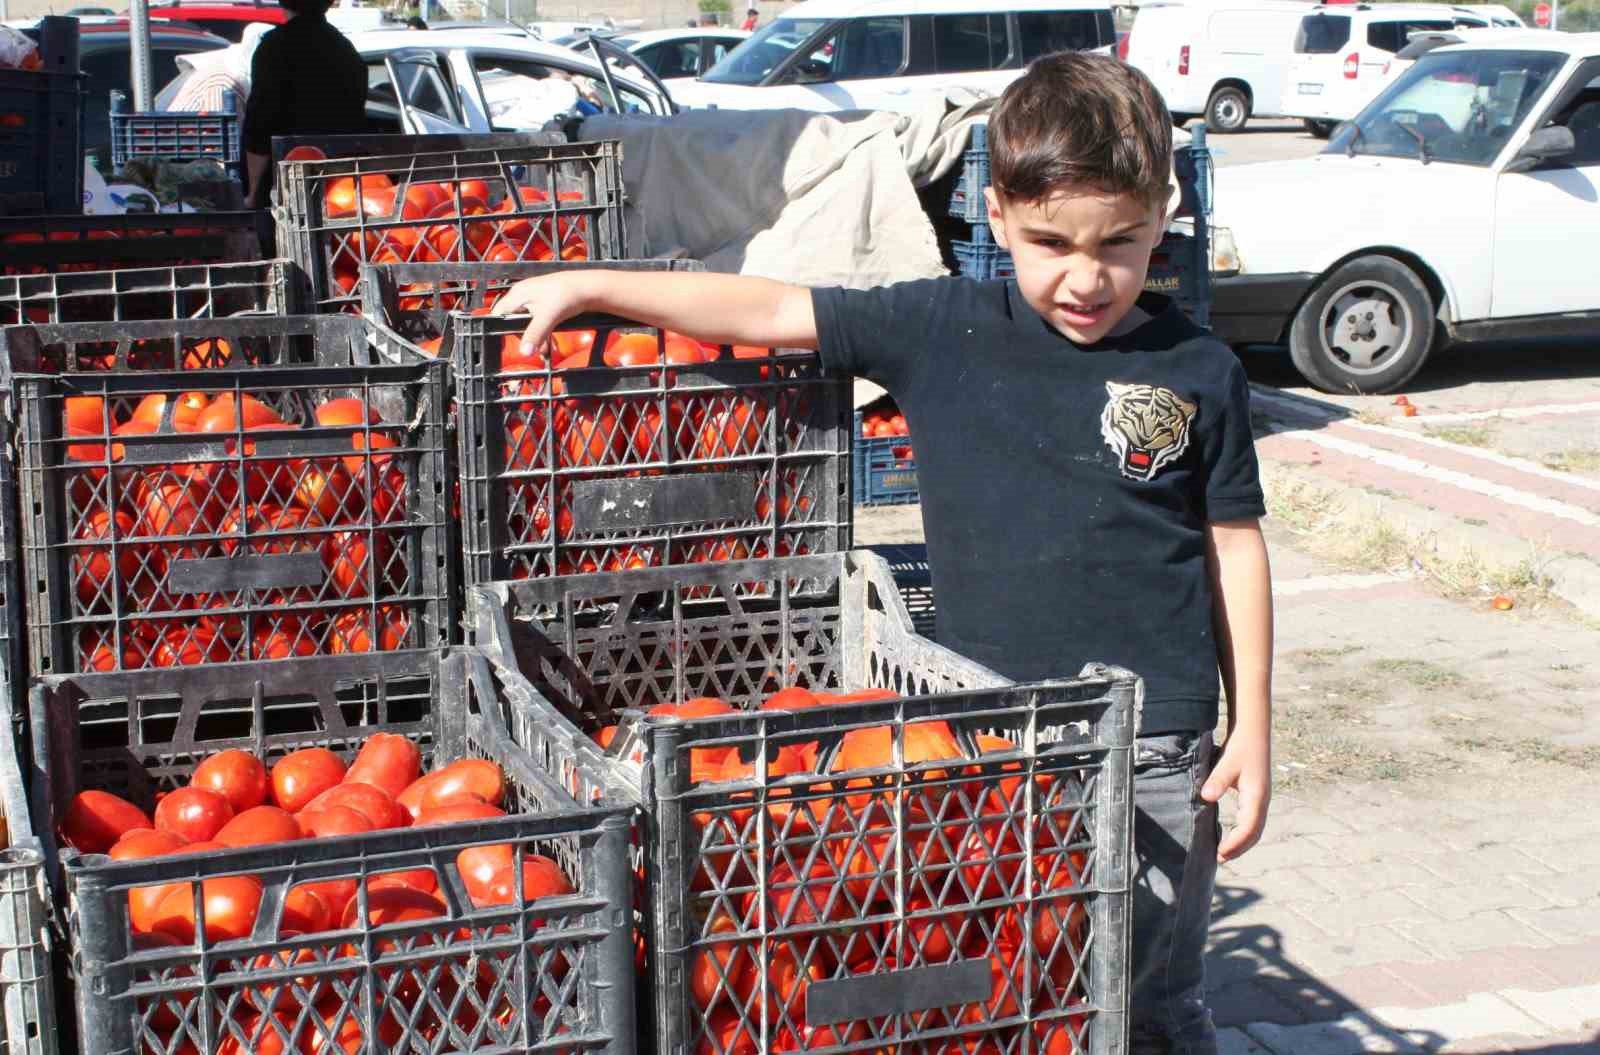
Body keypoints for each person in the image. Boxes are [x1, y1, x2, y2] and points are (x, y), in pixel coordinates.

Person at [494, 51, 1273, 1053]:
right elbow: (773, 309)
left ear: (1162, 212)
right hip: (979, 732)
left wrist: (1251, 723)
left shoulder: (1197, 366)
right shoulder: (937, 325)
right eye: (1050, 242)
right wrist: (594, 284)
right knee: (1018, 980)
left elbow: (1232, 541)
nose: (1086, 276)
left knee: (1151, 991)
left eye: (1119, 242)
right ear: (996, 216)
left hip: (1154, 739)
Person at [241, 0, 368, 207]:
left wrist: (254, 193)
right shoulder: (346, 51)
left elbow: (259, 123)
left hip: (287, 185)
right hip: (341, 184)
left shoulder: (274, 47)